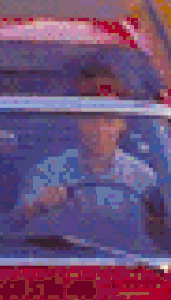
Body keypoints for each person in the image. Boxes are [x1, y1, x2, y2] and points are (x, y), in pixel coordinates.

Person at [17, 64, 157, 219]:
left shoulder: (144, 180)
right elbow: (19, 222)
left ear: (123, 124)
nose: (99, 130)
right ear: (77, 122)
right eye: (91, 119)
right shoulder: (48, 173)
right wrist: (40, 205)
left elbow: (161, 226)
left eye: (109, 121)